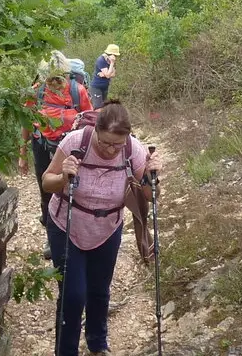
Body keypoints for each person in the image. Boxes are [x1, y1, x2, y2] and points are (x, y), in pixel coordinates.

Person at [41, 100, 164, 356]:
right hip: (67, 224)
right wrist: (64, 177)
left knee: (99, 289)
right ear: (95, 130)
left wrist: (153, 176)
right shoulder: (76, 142)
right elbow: (46, 182)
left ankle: (97, 345)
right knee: (73, 294)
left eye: (117, 144)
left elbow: (149, 195)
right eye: (105, 142)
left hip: (108, 227)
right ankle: (66, 351)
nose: (110, 150)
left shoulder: (132, 149)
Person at [19, 51, 93, 257]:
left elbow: (89, 120)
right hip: (42, 145)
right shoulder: (36, 91)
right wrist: (22, 153)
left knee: (72, 189)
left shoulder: (77, 91)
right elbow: (26, 121)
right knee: (46, 189)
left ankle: (75, 233)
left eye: (59, 78)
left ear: (66, 74)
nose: (54, 83)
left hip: (70, 147)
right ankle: (52, 237)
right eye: (50, 78)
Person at [90, 44, 120, 109]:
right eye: (114, 55)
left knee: (104, 106)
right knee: (98, 107)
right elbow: (108, 75)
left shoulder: (112, 61)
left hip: (105, 87)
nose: (115, 57)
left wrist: (104, 74)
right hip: (96, 87)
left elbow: (113, 74)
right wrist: (112, 64)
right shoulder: (101, 60)